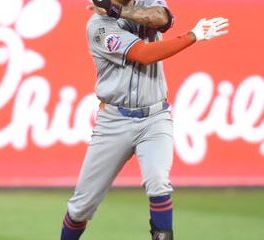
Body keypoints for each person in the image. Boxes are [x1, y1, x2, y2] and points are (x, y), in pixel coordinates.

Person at [60, 1, 229, 240]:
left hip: (155, 118)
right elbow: (144, 54)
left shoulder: (145, 4)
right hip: (114, 122)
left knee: (158, 182)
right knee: (81, 207)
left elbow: (163, 19)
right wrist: (193, 36)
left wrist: (119, 10)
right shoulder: (98, 25)